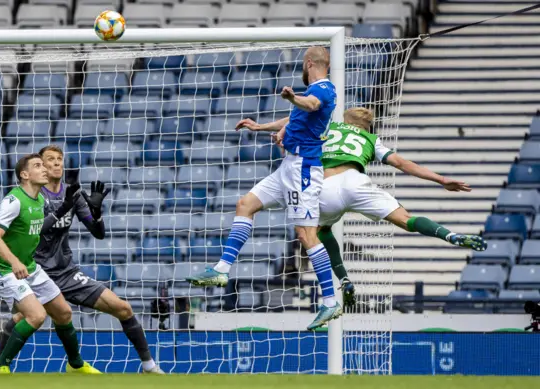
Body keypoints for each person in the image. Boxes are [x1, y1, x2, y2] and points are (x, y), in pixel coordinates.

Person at [186, 46, 342, 330]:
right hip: (287, 167)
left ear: (309, 63)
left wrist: (294, 97)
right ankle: (222, 270)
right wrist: (261, 127)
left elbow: (311, 106)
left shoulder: (324, 90)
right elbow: (295, 117)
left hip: (303, 169)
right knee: (246, 204)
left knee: (306, 235)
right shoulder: (313, 92)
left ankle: (330, 301)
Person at [0, 145, 163, 374]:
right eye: (49, 160)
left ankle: (149, 366)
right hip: (36, 268)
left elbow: (98, 233)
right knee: (30, 315)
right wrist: (63, 210)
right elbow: (33, 231)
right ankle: (0, 362)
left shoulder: (72, 193)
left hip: (66, 271)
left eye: (60, 159)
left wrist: (97, 211)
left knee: (122, 307)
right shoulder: (32, 195)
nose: (56, 164)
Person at [312, 107, 487, 307]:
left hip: (325, 186)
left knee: (321, 231)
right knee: (406, 220)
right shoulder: (371, 139)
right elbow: (402, 163)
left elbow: (296, 125)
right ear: (366, 126)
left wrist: (275, 130)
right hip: (356, 183)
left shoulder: (328, 128)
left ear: (345, 119)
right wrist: (441, 180)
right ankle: (450, 235)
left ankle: (343, 279)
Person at [0, 154, 100, 374]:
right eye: (38, 165)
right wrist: (14, 261)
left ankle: (75, 365)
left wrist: (68, 206)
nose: (45, 169)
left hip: (30, 268)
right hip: (5, 271)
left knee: (64, 313)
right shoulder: (14, 201)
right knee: (37, 316)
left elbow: (38, 229)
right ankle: (0, 367)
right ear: (25, 175)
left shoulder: (40, 200)